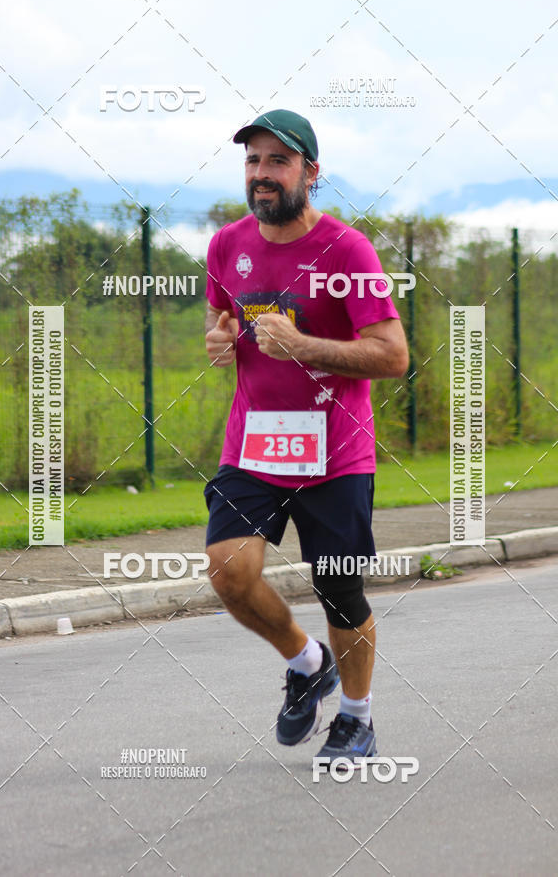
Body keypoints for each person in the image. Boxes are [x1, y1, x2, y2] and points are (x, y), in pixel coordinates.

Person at [203, 109, 408, 768]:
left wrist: (303, 346)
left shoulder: (347, 251)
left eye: (278, 161)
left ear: (311, 174)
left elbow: (392, 354)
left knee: (339, 588)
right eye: (253, 162)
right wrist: (218, 338)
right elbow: (222, 317)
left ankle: (357, 717)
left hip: (335, 452)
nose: (262, 174)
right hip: (256, 446)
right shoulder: (225, 245)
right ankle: (305, 659)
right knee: (230, 572)